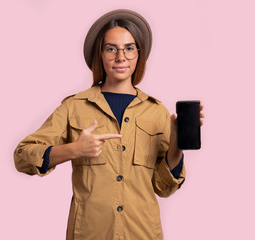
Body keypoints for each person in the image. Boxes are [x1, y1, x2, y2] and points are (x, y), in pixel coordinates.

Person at [14, 9, 204, 240]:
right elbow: (22, 156)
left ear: (139, 54)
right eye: (111, 49)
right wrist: (73, 150)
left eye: (129, 48)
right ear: (100, 55)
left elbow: (163, 187)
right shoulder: (75, 107)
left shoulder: (157, 112)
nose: (120, 57)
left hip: (142, 233)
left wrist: (176, 145)